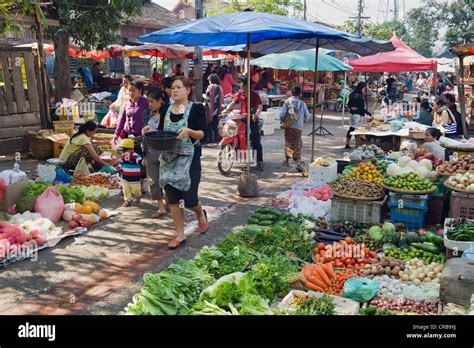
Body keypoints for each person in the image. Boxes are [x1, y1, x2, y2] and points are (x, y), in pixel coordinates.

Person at [157, 76, 208, 249]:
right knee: (173, 199)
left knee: (190, 199)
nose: (175, 90)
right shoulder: (165, 109)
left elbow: (203, 134)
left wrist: (189, 131)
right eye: (173, 88)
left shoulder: (197, 109)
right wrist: (149, 130)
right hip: (169, 160)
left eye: (179, 87)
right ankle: (180, 234)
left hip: (189, 159)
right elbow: (161, 133)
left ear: (188, 90)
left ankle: (200, 212)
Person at [114, 81, 149, 192]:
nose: (131, 92)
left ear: (140, 91)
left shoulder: (146, 103)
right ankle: (127, 185)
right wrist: (116, 134)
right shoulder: (126, 104)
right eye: (129, 90)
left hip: (143, 137)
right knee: (128, 160)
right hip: (129, 137)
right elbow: (121, 119)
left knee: (141, 160)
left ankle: (141, 184)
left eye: (133, 90)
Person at [224, 77, 264, 171]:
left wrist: (256, 114)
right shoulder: (240, 94)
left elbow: (260, 107)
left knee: (255, 140)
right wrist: (226, 109)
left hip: (251, 119)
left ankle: (260, 161)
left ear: (246, 85)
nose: (239, 85)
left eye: (241, 83)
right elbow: (233, 103)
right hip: (241, 119)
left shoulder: (254, 94)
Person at [141, 88, 167, 218]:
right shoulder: (146, 113)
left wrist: (153, 130)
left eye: (152, 101)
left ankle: (171, 202)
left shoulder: (168, 114)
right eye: (148, 101)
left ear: (160, 101)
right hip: (150, 151)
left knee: (166, 179)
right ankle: (160, 207)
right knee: (153, 180)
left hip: (165, 151)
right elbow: (144, 131)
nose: (149, 104)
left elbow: (169, 133)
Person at [279, 87, 310, 171]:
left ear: (291, 93)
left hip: (288, 126)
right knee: (297, 143)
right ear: (300, 94)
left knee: (288, 142)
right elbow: (307, 116)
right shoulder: (302, 103)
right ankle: (298, 162)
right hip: (298, 127)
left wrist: (282, 121)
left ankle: (287, 160)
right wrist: (303, 121)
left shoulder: (287, 101)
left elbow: (282, 114)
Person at [345, 82, 372, 149]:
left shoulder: (352, 93)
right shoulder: (359, 96)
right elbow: (361, 108)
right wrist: (369, 114)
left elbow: (348, 104)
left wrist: (351, 107)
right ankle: (357, 145)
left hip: (352, 114)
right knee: (357, 130)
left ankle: (347, 144)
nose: (365, 89)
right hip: (357, 115)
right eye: (364, 88)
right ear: (362, 87)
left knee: (351, 129)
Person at [118, 138, 143, 207]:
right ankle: (127, 200)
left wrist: (142, 162)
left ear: (132, 149)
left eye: (125, 150)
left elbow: (140, 162)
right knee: (126, 190)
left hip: (134, 178)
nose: (124, 152)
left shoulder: (136, 156)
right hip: (125, 177)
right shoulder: (123, 156)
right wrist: (119, 166)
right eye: (123, 150)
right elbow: (121, 163)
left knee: (136, 190)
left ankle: (138, 196)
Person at [204, 74, 224, 146]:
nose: (209, 82)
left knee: (209, 125)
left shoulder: (211, 87)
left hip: (211, 109)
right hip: (218, 110)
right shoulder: (220, 87)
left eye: (209, 80)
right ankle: (216, 140)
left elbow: (208, 98)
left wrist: (204, 97)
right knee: (215, 125)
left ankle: (211, 140)